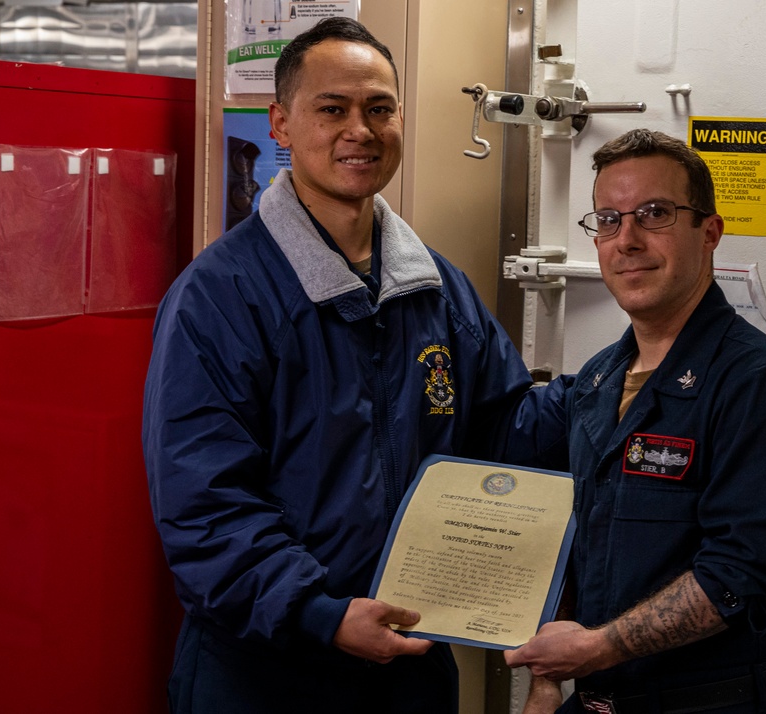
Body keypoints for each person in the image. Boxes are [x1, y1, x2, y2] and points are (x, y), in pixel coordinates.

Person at [142, 17, 563, 714]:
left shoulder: (437, 289)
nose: (359, 130)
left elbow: (504, 435)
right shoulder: (219, 297)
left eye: (379, 109)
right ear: (279, 124)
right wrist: (321, 613)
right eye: (331, 109)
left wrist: (631, 372)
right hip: (266, 670)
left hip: (408, 666)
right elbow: (204, 506)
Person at [503, 129, 766, 713]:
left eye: (654, 213)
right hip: (595, 700)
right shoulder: (598, 380)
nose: (626, 240)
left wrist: (594, 649)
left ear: (709, 232)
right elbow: (573, 538)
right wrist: (545, 680)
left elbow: (743, 574)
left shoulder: (759, 386)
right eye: (608, 219)